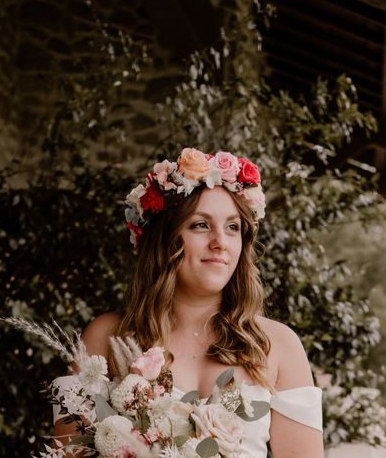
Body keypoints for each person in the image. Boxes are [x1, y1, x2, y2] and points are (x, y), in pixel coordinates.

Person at [54, 148, 324, 457]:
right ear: (165, 239)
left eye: (233, 227)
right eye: (200, 225)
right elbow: (67, 454)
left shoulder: (278, 346)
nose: (220, 242)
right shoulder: (105, 338)